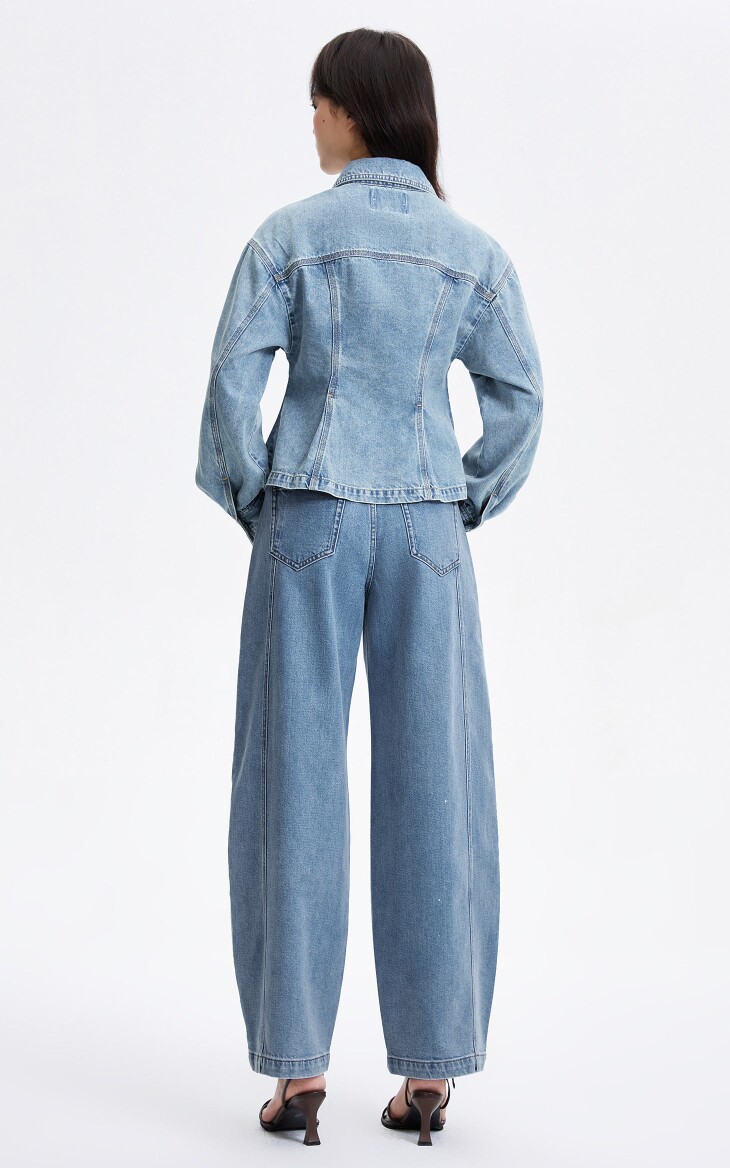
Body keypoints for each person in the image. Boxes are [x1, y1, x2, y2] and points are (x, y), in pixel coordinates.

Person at [195, 28, 544, 1147]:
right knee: (437, 782)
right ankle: (429, 1076)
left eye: (318, 102)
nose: (311, 120)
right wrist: (462, 497)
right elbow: (520, 400)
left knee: (290, 780)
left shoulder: (290, 237)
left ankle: (298, 1074)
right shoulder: (472, 253)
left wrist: (256, 498)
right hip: (426, 525)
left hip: (309, 513)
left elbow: (231, 387)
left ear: (354, 110)